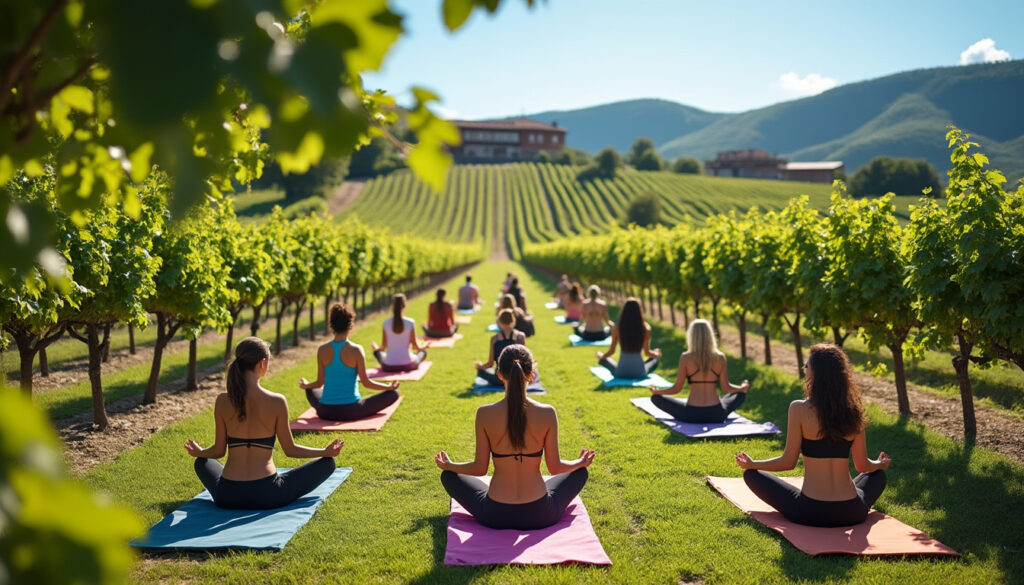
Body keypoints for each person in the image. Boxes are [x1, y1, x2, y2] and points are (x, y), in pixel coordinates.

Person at [437, 344, 595, 530]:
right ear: (531, 375)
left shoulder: (484, 414)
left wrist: (450, 466)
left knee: (449, 476)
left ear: (499, 374)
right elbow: (555, 467)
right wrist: (580, 462)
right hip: (540, 514)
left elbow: (480, 468)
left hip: (494, 514)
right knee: (580, 473)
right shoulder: (547, 413)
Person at [735, 344, 891, 527]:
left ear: (817, 374)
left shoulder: (799, 409)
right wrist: (880, 464)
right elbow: (863, 465)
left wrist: (753, 464)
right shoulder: (853, 412)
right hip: (852, 511)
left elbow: (788, 462)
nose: (804, 369)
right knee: (878, 475)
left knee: (751, 475)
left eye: (807, 366)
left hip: (810, 511)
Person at [185, 337, 342, 509]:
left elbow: (218, 450)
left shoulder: (222, 401)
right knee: (328, 463)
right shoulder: (276, 401)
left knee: (201, 461)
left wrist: (200, 452)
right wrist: (325, 452)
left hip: (227, 494)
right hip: (268, 494)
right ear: (263, 363)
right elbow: (290, 450)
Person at [300, 303, 401, 421]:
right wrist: (389, 387)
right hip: (352, 411)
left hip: (325, 411)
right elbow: (366, 382)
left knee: (310, 390)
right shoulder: (356, 350)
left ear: (331, 325)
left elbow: (319, 382)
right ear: (351, 325)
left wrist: (306, 385)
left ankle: (312, 391)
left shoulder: (322, 350)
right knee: (394, 394)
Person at [649, 319, 750, 423]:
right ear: (710, 335)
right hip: (717, 414)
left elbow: (677, 388)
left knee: (656, 398)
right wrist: (742, 388)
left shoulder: (685, 357)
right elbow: (726, 387)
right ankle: (740, 392)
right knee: (740, 394)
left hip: (691, 414)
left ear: (691, 336)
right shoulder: (720, 357)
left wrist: (657, 391)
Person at [595, 298, 661, 378]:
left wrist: (602, 356)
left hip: (620, 373)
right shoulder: (646, 328)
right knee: (655, 359)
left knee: (603, 360)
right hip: (640, 373)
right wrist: (656, 353)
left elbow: (611, 351)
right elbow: (647, 353)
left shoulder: (617, 328)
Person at [372, 294, 427, 372]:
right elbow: (415, 346)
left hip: (388, 366)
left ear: (393, 305)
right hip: (408, 365)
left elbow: (383, 346)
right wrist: (424, 346)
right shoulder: (410, 322)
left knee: (378, 353)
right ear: (404, 305)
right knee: (422, 353)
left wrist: (376, 348)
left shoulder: (386, 323)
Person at [476, 309, 530, 386]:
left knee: (481, 372)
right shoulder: (520, 336)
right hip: (518, 379)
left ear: (499, 322)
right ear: (513, 320)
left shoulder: (494, 339)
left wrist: (480, 366)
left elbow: (490, 364)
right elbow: (525, 361)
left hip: (500, 379)